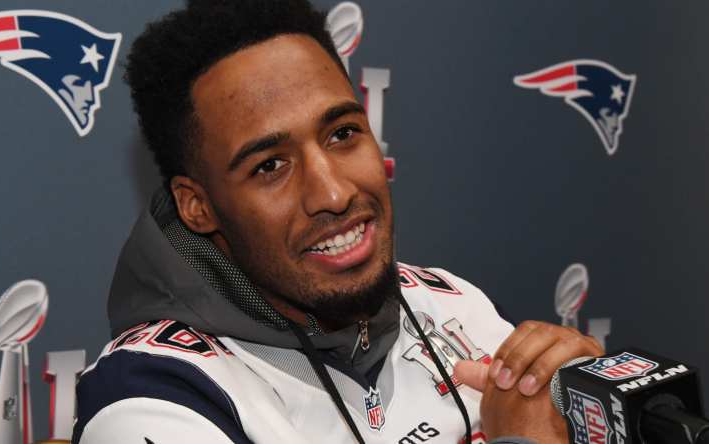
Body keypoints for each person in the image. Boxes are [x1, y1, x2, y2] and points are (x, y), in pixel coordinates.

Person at [73, 1, 603, 443]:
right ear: (198, 205)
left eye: (343, 134)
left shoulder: (457, 304)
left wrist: (596, 418)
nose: (333, 192)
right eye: (270, 166)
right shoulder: (152, 394)